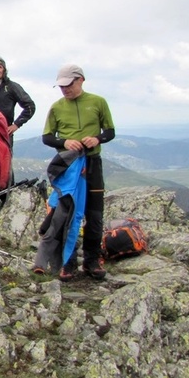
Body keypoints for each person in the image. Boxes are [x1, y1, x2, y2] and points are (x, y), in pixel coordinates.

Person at [42, 64, 115, 281]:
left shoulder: (98, 102)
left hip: (92, 163)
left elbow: (110, 131)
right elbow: (47, 137)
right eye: (61, 86)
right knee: (67, 214)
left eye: (68, 85)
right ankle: (68, 263)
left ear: (80, 80)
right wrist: (65, 142)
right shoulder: (56, 107)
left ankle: (92, 261)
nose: (65, 89)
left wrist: (97, 139)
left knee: (94, 215)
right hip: (68, 166)